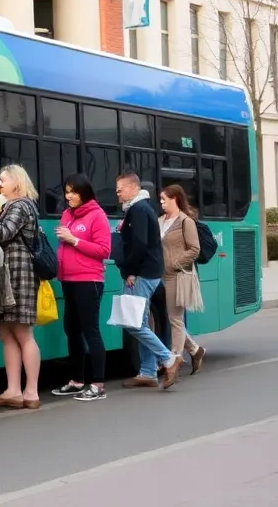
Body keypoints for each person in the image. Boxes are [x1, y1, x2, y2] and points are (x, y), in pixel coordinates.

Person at [0, 164, 42, 410]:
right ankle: (13, 390)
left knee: (23, 333)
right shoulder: (11, 206)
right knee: (6, 333)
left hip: (18, 274)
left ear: (16, 182)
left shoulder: (20, 205)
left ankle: (30, 392)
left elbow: (3, 233)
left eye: (3, 180)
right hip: (7, 276)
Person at [116, 171, 181, 390]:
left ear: (133, 187)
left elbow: (140, 245)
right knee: (140, 322)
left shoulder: (138, 209)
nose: (117, 195)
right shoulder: (141, 208)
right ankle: (147, 371)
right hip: (148, 272)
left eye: (120, 189)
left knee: (132, 323)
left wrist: (130, 271)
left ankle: (168, 358)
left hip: (142, 273)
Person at [51, 173, 112, 401]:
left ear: (84, 193)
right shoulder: (67, 214)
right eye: (66, 192)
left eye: (73, 192)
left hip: (89, 281)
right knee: (72, 330)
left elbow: (103, 250)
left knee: (90, 331)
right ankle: (77, 380)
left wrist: (74, 240)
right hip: (69, 280)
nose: (68, 196)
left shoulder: (97, 216)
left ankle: (98, 384)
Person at [158, 185, 207, 374]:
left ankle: (174, 359)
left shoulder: (186, 222)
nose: (161, 203)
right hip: (162, 275)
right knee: (173, 318)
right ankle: (195, 350)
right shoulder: (160, 221)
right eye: (160, 200)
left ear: (175, 199)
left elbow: (194, 249)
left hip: (178, 275)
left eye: (164, 199)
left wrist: (174, 263)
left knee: (175, 318)